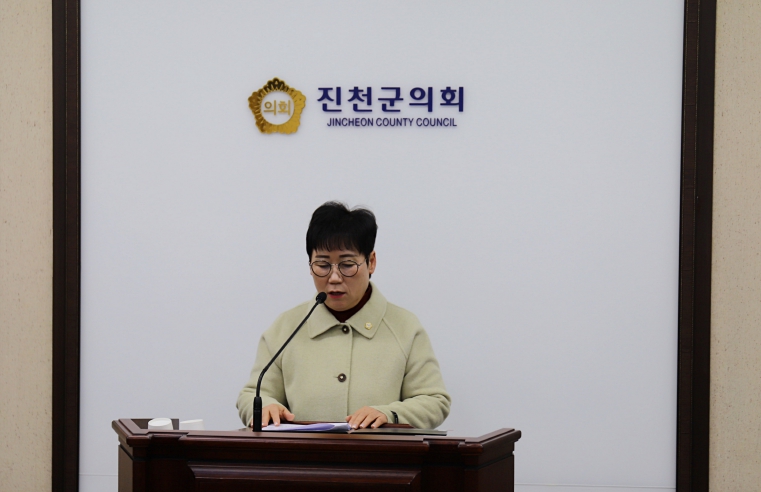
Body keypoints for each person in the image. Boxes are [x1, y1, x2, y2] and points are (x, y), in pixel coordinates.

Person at [237, 202, 451, 430]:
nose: (334, 277)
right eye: (322, 265)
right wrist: (265, 407)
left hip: (381, 453)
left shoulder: (405, 327)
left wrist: (389, 415)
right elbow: (252, 394)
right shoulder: (286, 327)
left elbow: (434, 401)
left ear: (371, 262)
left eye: (347, 264)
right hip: (301, 454)